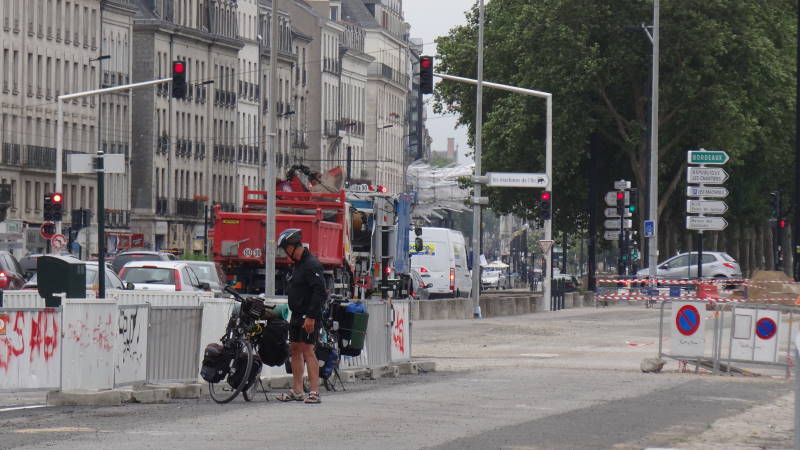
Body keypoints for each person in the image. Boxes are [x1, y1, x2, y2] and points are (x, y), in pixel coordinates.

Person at [274, 228, 326, 404]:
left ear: (293, 246)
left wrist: (311, 317)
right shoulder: (297, 265)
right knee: (295, 349)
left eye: (285, 248)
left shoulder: (312, 264)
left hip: (309, 316)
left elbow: (320, 292)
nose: (285, 253)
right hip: (296, 314)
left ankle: (314, 391)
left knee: (308, 350)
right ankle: (297, 390)